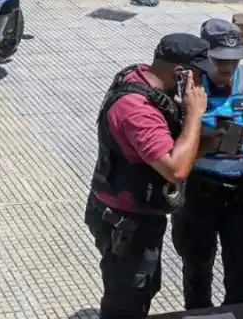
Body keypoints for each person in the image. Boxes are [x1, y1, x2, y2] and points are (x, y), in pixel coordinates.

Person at [85, 33, 211, 319]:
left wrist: (209, 143)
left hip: (127, 215)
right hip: (126, 222)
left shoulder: (143, 79)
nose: (201, 83)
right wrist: (194, 115)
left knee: (143, 288)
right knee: (126, 303)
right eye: (199, 74)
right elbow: (176, 170)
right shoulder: (137, 109)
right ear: (181, 72)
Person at [170, 19, 243, 310]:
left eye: (234, 60)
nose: (228, 67)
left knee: (241, 273)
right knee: (196, 268)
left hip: (241, 195)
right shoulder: (185, 86)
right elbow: (169, 143)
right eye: (220, 60)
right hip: (200, 192)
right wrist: (208, 140)